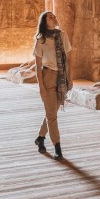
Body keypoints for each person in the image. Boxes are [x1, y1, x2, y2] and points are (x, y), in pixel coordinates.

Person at [33, 11, 72, 159]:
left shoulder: (63, 36)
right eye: (50, 17)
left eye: (54, 16)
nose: (54, 18)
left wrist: (69, 77)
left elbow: (69, 59)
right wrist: (41, 87)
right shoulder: (40, 40)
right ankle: (57, 146)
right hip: (48, 77)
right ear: (44, 22)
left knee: (51, 113)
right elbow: (38, 67)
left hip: (61, 78)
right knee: (52, 116)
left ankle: (40, 138)